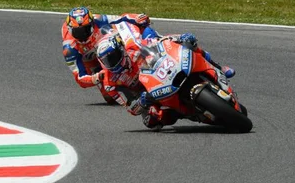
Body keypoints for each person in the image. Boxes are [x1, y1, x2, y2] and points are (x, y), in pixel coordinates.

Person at [96, 31, 235, 130]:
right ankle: (185, 114)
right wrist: (141, 102)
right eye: (106, 61)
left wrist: (180, 38)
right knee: (152, 121)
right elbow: (130, 108)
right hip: (148, 94)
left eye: (113, 56)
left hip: (162, 72)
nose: (111, 62)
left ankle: (218, 67)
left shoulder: (133, 47)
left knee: (190, 45)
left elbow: (160, 41)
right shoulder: (110, 83)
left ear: (121, 49)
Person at [61, 6, 157, 103]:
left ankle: (155, 46)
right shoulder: (69, 49)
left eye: (86, 29)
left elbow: (121, 19)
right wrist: (97, 77)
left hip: (105, 44)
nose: (82, 36)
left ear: (92, 24)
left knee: (139, 27)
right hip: (88, 58)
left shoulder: (99, 19)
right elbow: (80, 79)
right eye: (77, 32)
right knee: (110, 98)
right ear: (70, 30)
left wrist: (136, 17)